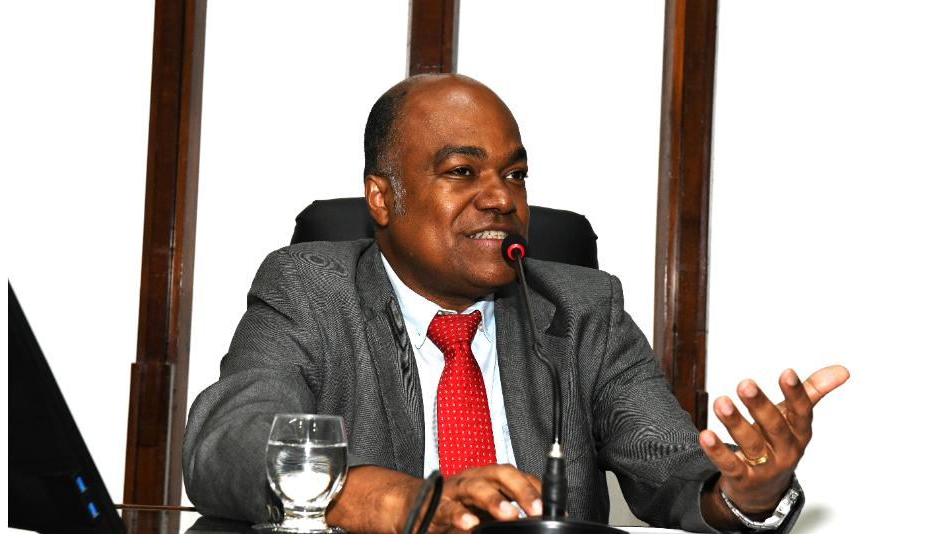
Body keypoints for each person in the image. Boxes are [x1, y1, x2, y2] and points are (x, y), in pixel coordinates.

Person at [182, 74, 849, 533]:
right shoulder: (310, 289)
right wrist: (403, 504)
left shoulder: (582, 309)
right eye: (462, 171)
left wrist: (744, 490)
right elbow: (226, 442)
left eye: (515, 174)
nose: (502, 197)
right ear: (382, 198)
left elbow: (670, 463)